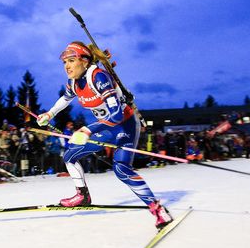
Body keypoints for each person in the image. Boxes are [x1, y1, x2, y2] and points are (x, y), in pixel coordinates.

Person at [37, 41, 173, 229]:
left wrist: (88, 129)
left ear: (84, 61)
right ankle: (82, 196)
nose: (66, 66)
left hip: (124, 125)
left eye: (71, 60)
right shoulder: (74, 82)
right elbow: (66, 99)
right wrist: (50, 114)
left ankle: (158, 210)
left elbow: (116, 114)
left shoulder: (98, 77)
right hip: (106, 128)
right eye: (64, 62)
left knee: (121, 169)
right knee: (70, 156)